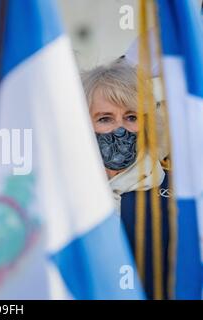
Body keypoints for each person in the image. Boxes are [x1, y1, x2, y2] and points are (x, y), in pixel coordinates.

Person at [81, 60, 171, 299]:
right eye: (105, 118)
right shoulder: (64, 195)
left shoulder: (179, 195)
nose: (120, 129)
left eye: (131, 117)